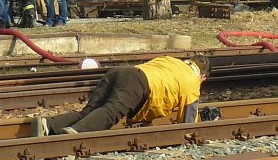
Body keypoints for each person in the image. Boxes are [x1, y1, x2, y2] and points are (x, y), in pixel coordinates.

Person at [31, 55, 211, 136]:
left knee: (89, 111)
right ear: (202, 77)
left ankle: (49, 125)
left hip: (120, 71)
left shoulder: (171, 60)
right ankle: (77, 132)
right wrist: (193, 135)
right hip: (138, 81)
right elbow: (188, 123)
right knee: (111, 112)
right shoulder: (192, 81)